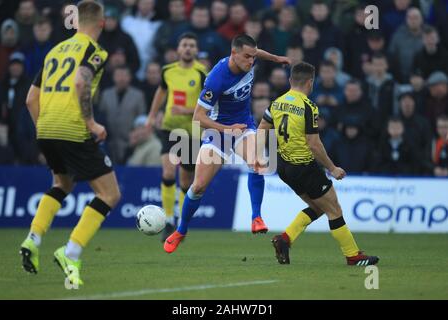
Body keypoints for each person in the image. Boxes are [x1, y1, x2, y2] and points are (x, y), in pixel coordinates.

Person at [19, 1, 121, 287]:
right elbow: (80, 81)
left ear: (76, 22)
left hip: (46, 126)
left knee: (62, 184)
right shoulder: (95, 50)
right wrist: (91, 124)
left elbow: (30, 99)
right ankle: (71, 251)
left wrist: (45, 128)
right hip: (72, 128)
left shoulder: (54, 50)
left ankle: (33, 238)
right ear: (101, 24)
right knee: (110, 195)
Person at [164, 34, 291, 253]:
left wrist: (276, 58)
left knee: (258, 162)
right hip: (217, 132)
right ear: (234, 54)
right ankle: (180, 230)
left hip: (244, 126)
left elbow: (257, 51)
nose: (251, 62)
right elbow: (198, 118)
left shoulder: (249, 57)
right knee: (198, 186)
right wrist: (227, 130)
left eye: (253, 57)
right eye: (247, 57)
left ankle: (256, 217)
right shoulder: (216, 78)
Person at [255, 62, 379, 266]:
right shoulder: (308, 106)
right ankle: (352, 255)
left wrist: (257, 156)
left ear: (290, 80)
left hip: (284, 167)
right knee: (334, 209)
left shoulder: (276, 103)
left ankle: (284, 239)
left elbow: (262, 129)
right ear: (310, 82)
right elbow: (313, 144)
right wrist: (332, 168)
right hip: (304, 166)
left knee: (318, 207)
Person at [145, 32, 207, 241]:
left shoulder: (202, 73)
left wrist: (187, 111)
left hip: (192, 131)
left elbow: (208, 105)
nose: (188, 48)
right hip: (169, 128)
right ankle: (168, 220)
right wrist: (152, 115)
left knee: (186, 179)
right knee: (169, 171)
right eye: (184, 45)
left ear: (196, 50)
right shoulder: (168, 71)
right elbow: (161, 93)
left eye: (192, 45)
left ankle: (181, 221)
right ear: (178, 49)